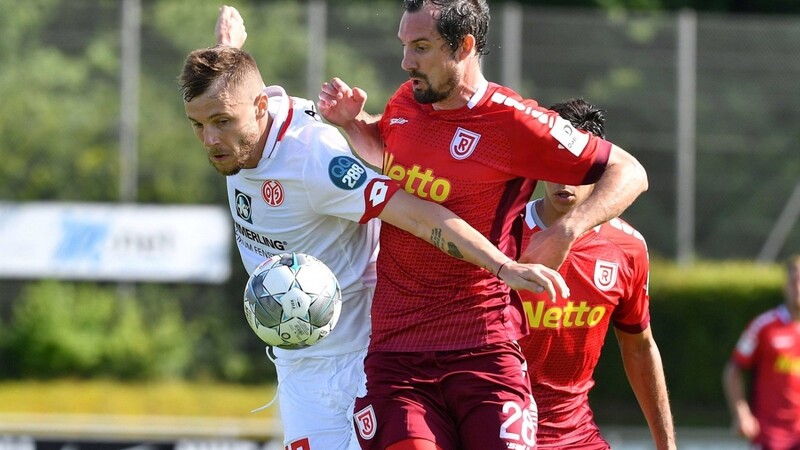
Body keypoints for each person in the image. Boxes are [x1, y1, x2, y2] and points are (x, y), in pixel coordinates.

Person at [178, 6, 567, 450]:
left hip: (350, 364)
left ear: (260, 107)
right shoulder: (237, 116)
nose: (210, 140)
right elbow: (229, 89)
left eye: (221, 123)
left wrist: (502, 265)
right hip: (295, 359)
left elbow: (418, 213)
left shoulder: (316, 160)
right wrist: (226, 50)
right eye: (198, 125)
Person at [318, 1, 648, 449]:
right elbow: (391, 159)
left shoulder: (515, 122)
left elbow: (630, 172)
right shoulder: (404, 102)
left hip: (484, 349)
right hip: (398, 357)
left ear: (464, 46)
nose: (405, 62)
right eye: (404, 46)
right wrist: (354, 127)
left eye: (421, 47)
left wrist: (566, 230)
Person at [518, 98, 675, 449]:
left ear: (601, 168)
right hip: (496, 428)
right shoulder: (497, 233)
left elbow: (639, 346)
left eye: (577, 165)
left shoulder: (627, 247)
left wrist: (667, 446)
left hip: (576, 436)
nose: (565, 178)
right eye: (553, 160)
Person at [722, 254, 800, 450]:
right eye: (794, 282)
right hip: (771, 435)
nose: (798, 288)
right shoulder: (763, 326)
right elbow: (733, 371)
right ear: (785, 286)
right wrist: (742, 413)